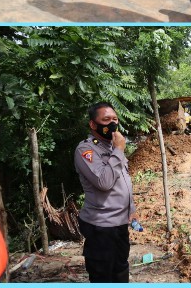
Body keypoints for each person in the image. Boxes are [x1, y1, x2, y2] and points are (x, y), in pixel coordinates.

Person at [74, 102, 138, 283]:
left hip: (119, 223)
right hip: (101, 226)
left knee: (120, 269)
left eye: (115, 119)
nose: (112, 124)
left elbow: (124, 181)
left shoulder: (112, 147)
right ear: (93, 125)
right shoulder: (85, 150)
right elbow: (104, 182)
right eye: (106, 120)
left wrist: (131, 210)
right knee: (103, 274)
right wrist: (118, 150)